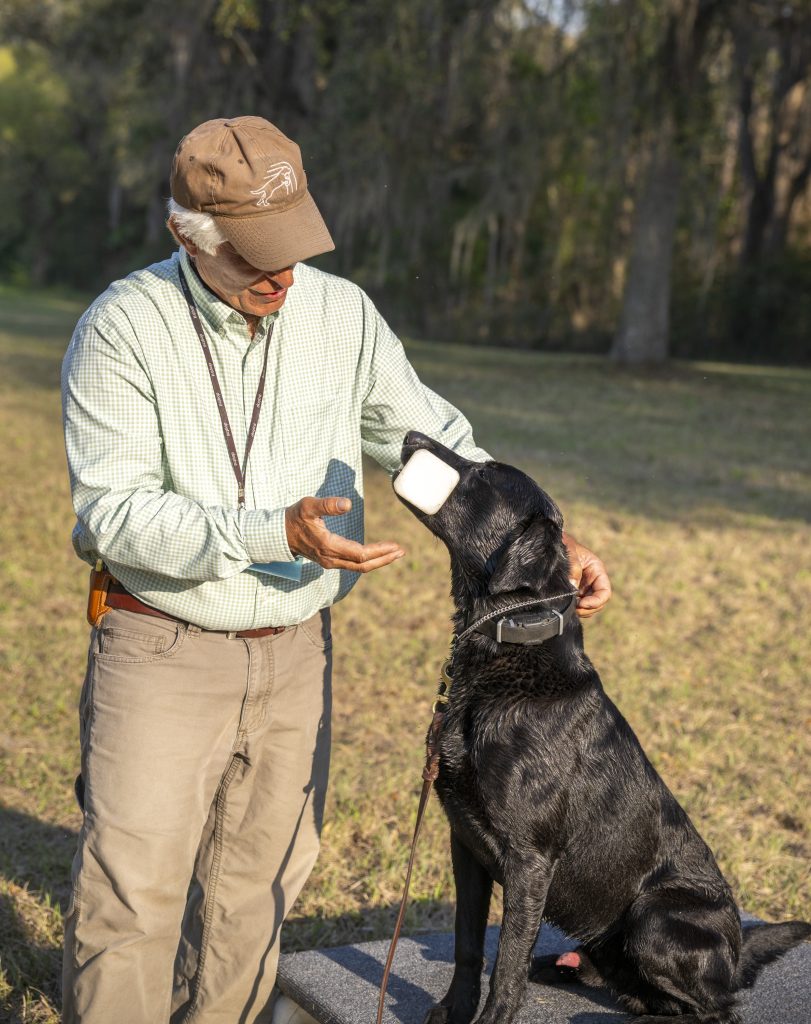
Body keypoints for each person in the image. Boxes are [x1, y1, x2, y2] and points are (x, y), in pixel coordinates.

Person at [60, 115, 611, 1024]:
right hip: (160, 646)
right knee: (132, 900)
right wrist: (271, 530)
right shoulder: (122, 329)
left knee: (259, 890)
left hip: (298, 653)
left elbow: (433, 448)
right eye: (253, 254)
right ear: (186, 235)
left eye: (292, 246)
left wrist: (557, 535)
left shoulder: (341, 313)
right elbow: (113, 515)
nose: (281, 274)